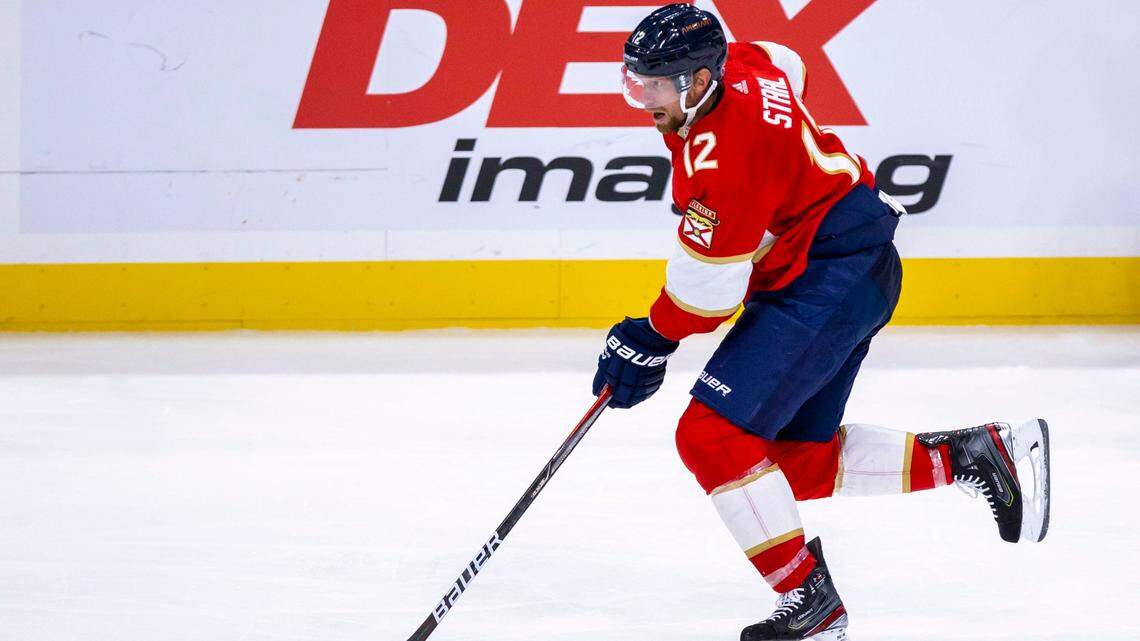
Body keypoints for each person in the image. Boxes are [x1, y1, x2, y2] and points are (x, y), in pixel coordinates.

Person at [591, 5, 1051, 640]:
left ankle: (811, 602)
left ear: (698, 81)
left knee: (710, 438)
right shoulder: (744, 63)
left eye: (655, 85)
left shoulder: (723, 164)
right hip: (852, 266)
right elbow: (790, 63)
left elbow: (705, 296)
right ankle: (977, 454)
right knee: (792, 462)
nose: (643, 98)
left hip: (826, 278)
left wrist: (647, 338)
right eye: (636, 82)